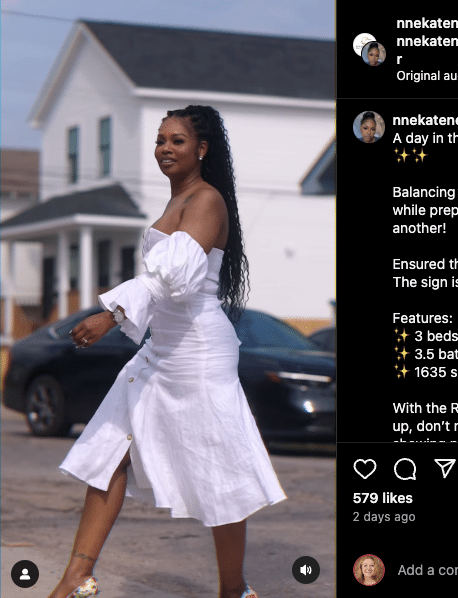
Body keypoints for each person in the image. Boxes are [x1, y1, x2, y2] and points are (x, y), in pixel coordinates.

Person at [48, 105, 286, 598]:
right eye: (160, 140)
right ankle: (76, 576)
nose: (165, 149)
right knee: (108, 453)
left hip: (198, 356)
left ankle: (232, 591)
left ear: (201, 150)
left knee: (220, 479)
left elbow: (171, 278)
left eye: (177, 140)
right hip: (160, 353)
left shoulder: (206, 200)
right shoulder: (177, 203)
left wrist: (110, 315)